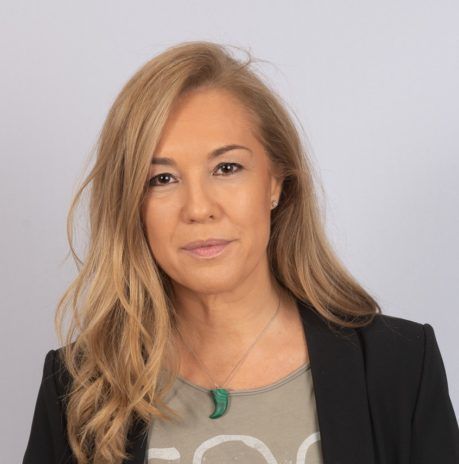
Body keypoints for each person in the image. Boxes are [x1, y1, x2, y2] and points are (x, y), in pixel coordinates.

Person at [22, 40, 459, 464]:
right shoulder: (78, 387)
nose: (199, 209)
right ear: (130, 204)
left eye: (226, 168)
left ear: (276, 183)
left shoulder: (399, 367)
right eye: (162, 179)